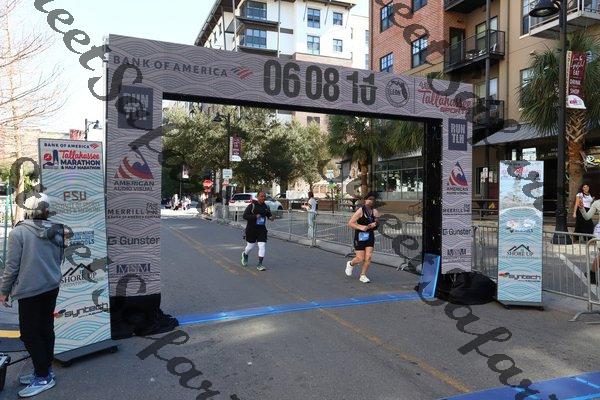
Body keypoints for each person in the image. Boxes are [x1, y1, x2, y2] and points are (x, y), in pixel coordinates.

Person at [0, 194, 63, 397]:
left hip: (30, 290)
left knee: (29, 334)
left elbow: (11, 266)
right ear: (47, 210)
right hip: (51, 286)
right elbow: (59, 258)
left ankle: (43, 376)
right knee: (45, 329)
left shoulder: (18, 233)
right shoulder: (57, 230)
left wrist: (4, 291)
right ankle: (44, 370)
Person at [345, 192, 380, 283]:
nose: (371, 201)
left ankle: (363, 275)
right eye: (369, 199)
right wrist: (361, 227)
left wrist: (375, 224)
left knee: (368, 257)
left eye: (373, 200)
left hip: (370, 236)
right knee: (360, 258)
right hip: (360, 236)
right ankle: (350, 264)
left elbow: (377, 222)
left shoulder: (375, 211)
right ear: (365, 200)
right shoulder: (360, 211)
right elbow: (350, 223)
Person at [241, 191, 273, 271]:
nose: (263, 198)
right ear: (257, 197)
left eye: (264, 196)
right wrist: (255, 216)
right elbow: (244, 216)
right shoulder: (252, 206)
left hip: (261, 230)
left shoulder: (266, 206)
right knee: (250, 247)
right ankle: (245, 254)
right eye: (261, 196)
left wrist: (271, 217)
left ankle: (260, 264)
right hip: (251, 229)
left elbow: (268, 214)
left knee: (262, 246)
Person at [579, 198, 600, 284]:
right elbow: (587, 217)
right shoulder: (597, 203)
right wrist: (582, 208)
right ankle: (592, 274)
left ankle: (591, 273)